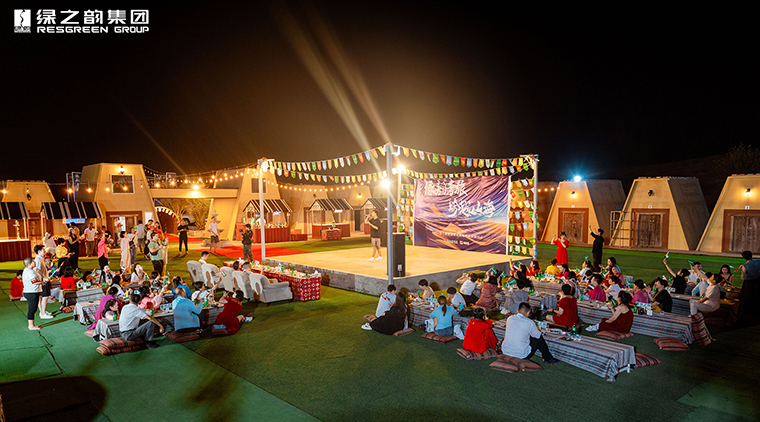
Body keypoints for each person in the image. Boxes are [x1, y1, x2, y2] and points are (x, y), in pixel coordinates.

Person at [32, 246, 53, 319]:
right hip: (42, 281)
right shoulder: (37, 260)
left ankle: (42, 312)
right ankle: (43, 313)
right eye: (43, 250)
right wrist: (42, 280)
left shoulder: (40, 259)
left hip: (44, 280)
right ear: (39, 251)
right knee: (45, 296)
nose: (44, 251)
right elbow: (36, 271)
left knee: (43, 297)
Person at [739, 250, 760, 317]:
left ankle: (748, 313)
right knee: (756, 296)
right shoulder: (758, 261)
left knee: (747, 297)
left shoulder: (745, 266)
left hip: (749, 283)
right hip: (758, 281)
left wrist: (743, 267)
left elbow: (744, 277)